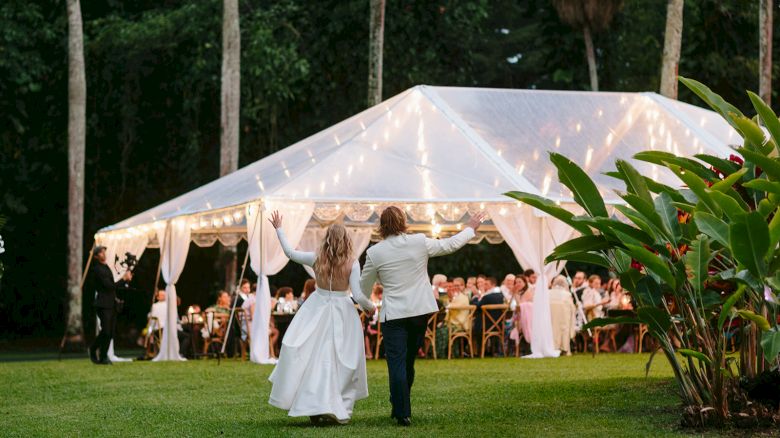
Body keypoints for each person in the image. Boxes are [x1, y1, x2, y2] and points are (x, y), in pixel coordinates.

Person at [359, 206, 484, 426]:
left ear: (382, 226)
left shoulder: (374, 252)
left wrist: (367, 306)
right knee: (408, 361)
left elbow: (363, 287)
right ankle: (401, 405)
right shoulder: (418, 241)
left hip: (394, 315)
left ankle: (401, 410)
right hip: (419, 313)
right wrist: (470, 228)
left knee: (397, 362)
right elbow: (449, 245)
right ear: (403, 222)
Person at [267, 211, 376, 425]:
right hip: (343, 312)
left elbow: (290, 253)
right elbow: (358, 294)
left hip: (315, 309)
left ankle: (315, 404)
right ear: (346, 240)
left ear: (326, 239)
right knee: (341, 359)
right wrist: (370, 307)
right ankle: (336, 405)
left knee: (313, 356)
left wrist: (279, 228)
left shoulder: (316, 258)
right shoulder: (352, 263)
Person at [89, 245, 132, 365]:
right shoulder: (97, 269)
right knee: (106, 331)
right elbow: (109, 286)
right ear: (97, 256)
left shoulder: (106, 267)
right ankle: (94, 349)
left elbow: (112, 287)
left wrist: (116, 297)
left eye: (104, 252)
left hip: (110, 303)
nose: (104, 254)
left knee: (110, 332)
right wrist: (123, 279)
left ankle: (103, 357)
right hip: (102, 304)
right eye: (101, 253)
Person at [472, 276, 505, 355]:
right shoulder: (501, 295)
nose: (484, 286)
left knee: (475, 324)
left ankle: (480, 351)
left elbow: (477, 306)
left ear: (492, 285)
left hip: (485, 325)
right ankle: (494, 350)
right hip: (499, 324)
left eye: (486, 284)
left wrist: (476, 297)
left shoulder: (487, 297)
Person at [548, 275, 576, 355]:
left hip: (551, 316)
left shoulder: (548, 293)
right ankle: (564, 348)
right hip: (564, 316)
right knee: (564, 330)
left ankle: (553, 347)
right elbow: (572, 307)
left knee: (553, 329)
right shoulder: (567, 294)